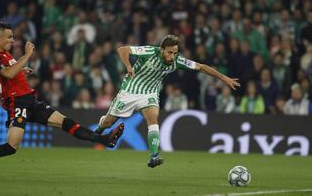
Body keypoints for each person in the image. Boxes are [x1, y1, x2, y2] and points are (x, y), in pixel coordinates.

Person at [0, 22, 124, 177]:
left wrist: (22, 69)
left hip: (30, 101)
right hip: (16, 102)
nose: (13, 40)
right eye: (9, 37)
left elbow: (12, 71)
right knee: (11, 147)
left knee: (65, 122)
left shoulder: (6, 55)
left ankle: (105, 139)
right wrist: (27, 56)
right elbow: (8, 73)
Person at [94, 35, 240, 168]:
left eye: (175, 53)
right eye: (170, 52)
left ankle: (154, 156)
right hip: (130, 90)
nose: (172, 56)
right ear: (162, 49)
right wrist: (128, 65)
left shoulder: (177, 61)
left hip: (149, 94)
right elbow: (123, 49)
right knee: (108, 123)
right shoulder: (149, 51)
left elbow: (201, 67)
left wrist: (224, 78)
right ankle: (98, 131)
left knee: (152, 118)